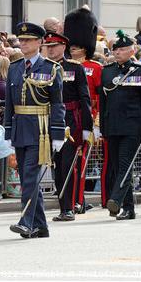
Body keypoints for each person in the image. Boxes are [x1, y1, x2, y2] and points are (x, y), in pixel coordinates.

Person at [5, 22, 66, 238]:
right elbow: (9, 104)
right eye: (21, 40)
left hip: (41, 130)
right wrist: (8, 131)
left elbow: (58, 103)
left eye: (28, 40)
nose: (23, 43)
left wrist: (58, 132)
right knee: (26, 177)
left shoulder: (51, 68)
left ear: (39, 42)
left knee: (30, 176)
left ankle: (26, 222)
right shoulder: (14, 67)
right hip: (20, 127)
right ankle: (41, 225)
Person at [101, 30, 141, 220]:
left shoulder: (140, 71)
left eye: (122, 49)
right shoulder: (107, 72)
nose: (118, 52)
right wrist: (104, 127)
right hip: (113, 125)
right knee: (117, 167)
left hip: (133, 126)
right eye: (116, 49)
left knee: (125, 164)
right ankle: (129, 208)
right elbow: (103, 102)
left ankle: (115, 199)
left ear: (131, 51)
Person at [43, 31, 93, 221]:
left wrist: (86, 127)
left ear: (63, 47)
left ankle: (69, 207)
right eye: (48, 46)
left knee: (68, 165)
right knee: (56, 166)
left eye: (54, 46)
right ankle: (63, 205)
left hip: (71, 120)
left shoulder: (74, 68)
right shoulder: (43, 68)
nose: (51, 50)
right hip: (48, 120)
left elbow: (84, 98)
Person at [64, 7, 101, 212]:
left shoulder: (95, 68)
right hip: (70, 118)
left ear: (85, 49)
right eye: (72, 47)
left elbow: (97, 97)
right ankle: (74, 199)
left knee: (83, 161)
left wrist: (96, 123)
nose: (73, 51)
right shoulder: (64, 66)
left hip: (88, 117)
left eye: (77, 48)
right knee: (71, 162)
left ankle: (79, 199)